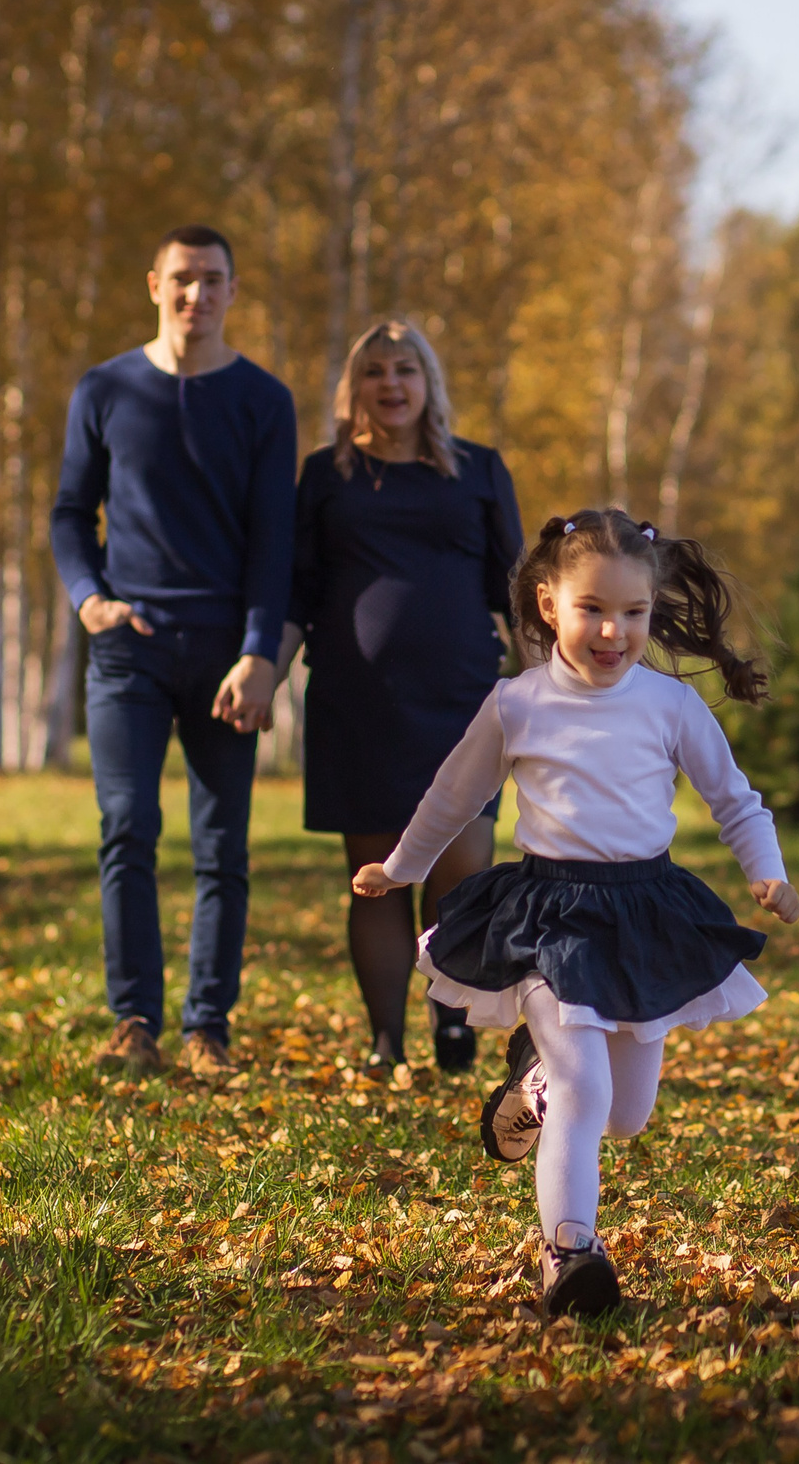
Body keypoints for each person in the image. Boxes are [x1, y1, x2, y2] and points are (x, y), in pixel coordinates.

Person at [351, 508, 799, 1318]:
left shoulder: (668, 706)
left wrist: (766, 874)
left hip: (647, 912)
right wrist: (400, 867)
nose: (613, 632)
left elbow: (736, 801)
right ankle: (568, 1253)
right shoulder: (517, 703)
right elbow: (455, 796)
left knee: (627, 1116)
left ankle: (535, 1083)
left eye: (633, 614)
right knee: (587, 1086)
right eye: (593, 609)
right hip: (548, 917)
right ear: (549, 602)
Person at [50, 224, 297, 1082]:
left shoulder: (265, 401)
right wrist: (89, 600)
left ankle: (208, 1030)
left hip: (228, 660)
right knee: (128, 831)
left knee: (222, 846)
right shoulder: (105, 388)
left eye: (213, 280)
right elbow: (68, 514)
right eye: (182, 279)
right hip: (130, 652)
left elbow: (275, 541)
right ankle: (133, 1022)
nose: (197, 295)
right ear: (153, 283)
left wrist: (262, 652)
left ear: (234, 291)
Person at [284, 321, 522, 1075]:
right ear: (354, 387)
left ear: (429, 384)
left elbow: (516, 591)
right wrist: (264, 668)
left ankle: (451, 1014)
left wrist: (563, 686)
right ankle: (386, 1043)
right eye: (376, 371)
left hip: (460, 699)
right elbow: (300, 587)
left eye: (406, 370)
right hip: (361, 702)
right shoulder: (327, 475)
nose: (391, 384)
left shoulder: (479, 469)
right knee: (377, 877)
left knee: (462, 864)